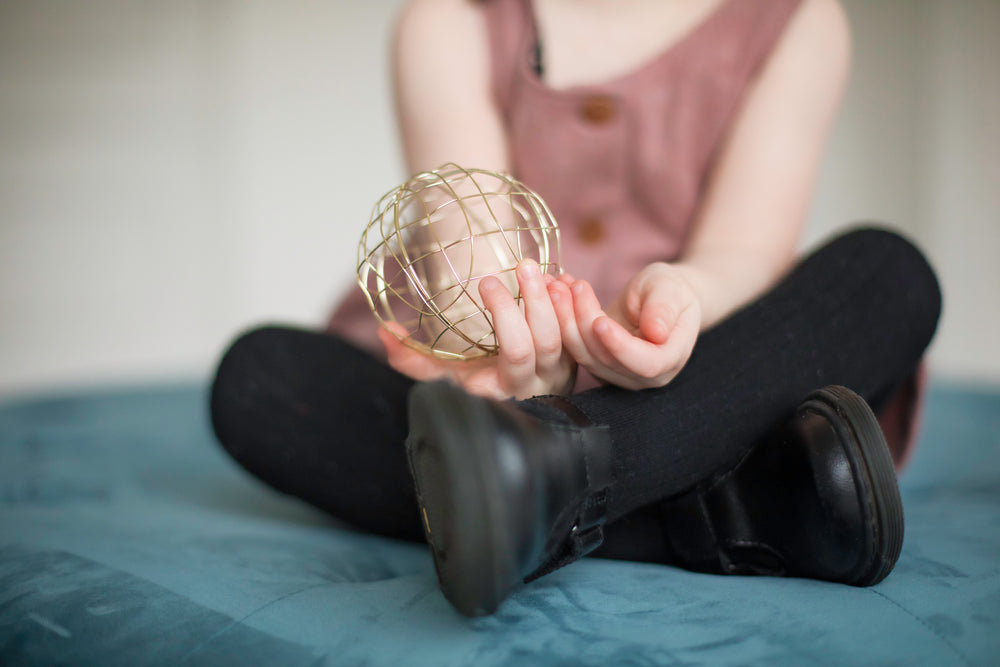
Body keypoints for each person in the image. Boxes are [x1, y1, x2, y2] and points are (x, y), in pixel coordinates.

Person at [210, 0, 941, 617]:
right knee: (261, 379)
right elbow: (472, 254)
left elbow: (745, 252)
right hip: (486, 387)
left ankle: (546, 477)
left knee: (893, 275)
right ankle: (718, 509)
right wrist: (502, 351)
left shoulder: (796, 22)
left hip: (702, 372)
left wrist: (689, 293)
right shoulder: (452, 19)